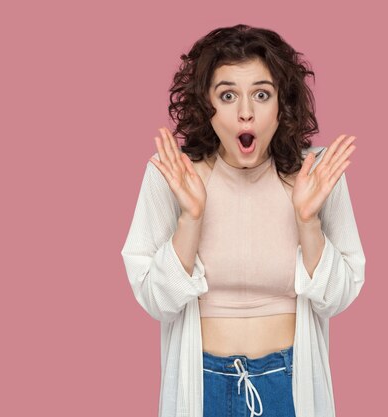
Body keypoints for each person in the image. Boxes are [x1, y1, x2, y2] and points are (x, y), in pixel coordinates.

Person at [121, 24, 366, 417]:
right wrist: (190, 218)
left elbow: (337, 298)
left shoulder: (316, 175)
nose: (246, 111)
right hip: (202, 386)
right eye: (228, 95)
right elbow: (156, 301)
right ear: (206, 105)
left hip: (287, 384)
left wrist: (308, 221)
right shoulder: (173, 174)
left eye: (261, 94)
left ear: (281, 104)